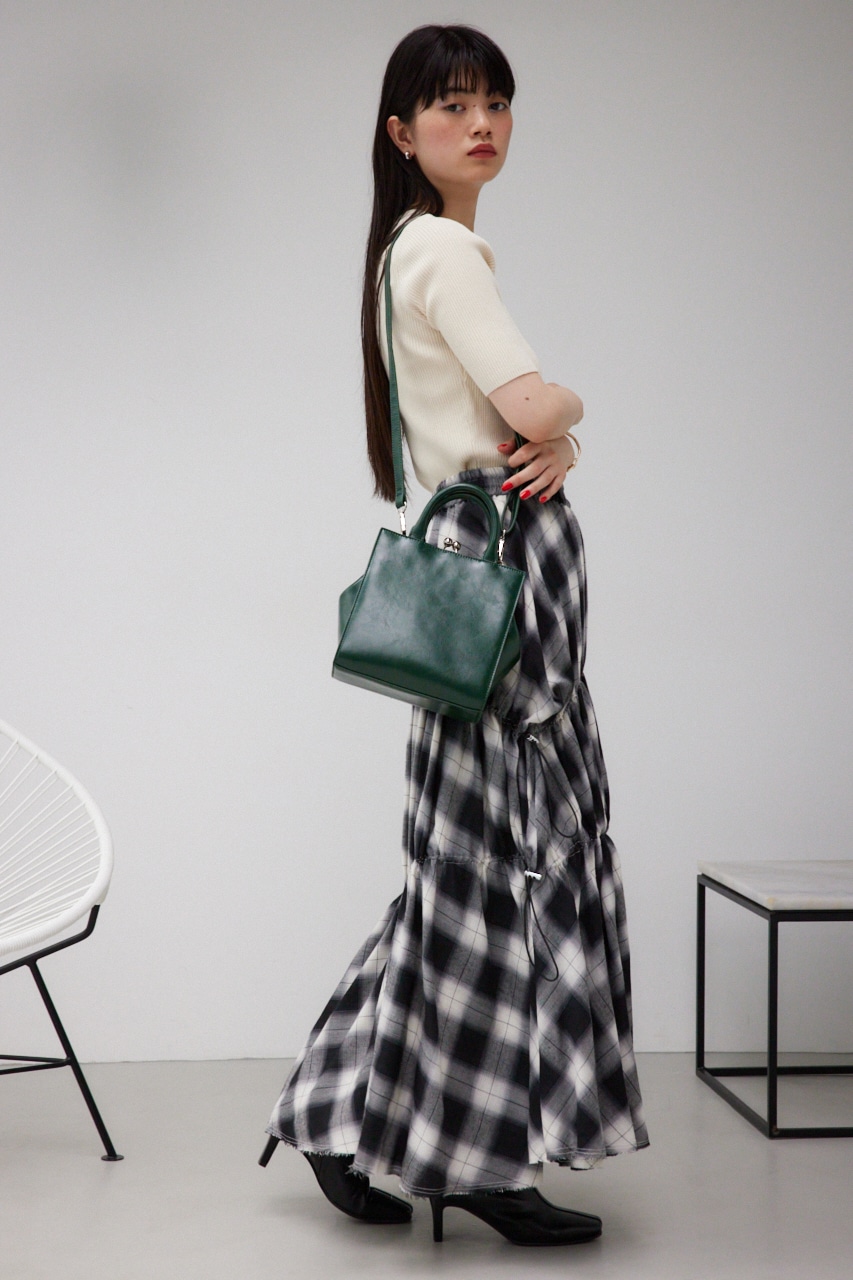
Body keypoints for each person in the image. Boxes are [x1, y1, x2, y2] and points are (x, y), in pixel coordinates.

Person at [261, 24, 649, 1247]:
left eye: (495, 102)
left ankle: (341, 1114)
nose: (480, 124)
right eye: (450, 106)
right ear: (401, 133)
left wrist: (551, 435)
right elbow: (527, 406)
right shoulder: (444, 249)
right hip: (504, 603)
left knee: (463, 876)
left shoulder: (404, 250)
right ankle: (478, 1158)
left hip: (476, 592)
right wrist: (571, 415)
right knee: (506, 875)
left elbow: (489, 425)